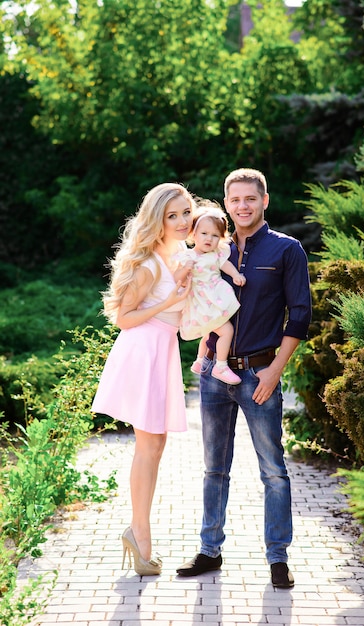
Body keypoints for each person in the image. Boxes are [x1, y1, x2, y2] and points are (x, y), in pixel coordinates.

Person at [176, 168, 312, 588]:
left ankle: (277, 559)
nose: (242, 206)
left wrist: (275, 371)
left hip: (260, 374)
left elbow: (301, 314)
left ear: (264, 200)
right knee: (214, 469)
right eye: (234, 200)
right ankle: (209, 551)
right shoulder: (210, 246)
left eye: (250, 198)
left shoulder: (287, 250)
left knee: (273, 470)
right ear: (225, 203)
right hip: (215, 376)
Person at [92, 182, 195, 576]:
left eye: (186, 211)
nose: (184, 221)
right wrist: (169, 302)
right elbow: (122, 318)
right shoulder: (150, 263)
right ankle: (140, 536)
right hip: (143, 351)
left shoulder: (182, 255)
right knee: (148, 446)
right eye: (173, 216)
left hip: (163, 349)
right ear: (158, 220)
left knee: (155, 445)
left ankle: (139, 534)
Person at [174, 203, 246, 385]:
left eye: (215, 235)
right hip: (201, 301)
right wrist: (185, 270)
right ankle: (220, 366)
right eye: (204, 234)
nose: (209, 239)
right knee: (226, 330)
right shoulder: (188, 256)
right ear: (193, 234)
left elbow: (225, 265)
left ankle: (199, 361)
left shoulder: (216, 253)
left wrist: (236, 274)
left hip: (215, 298)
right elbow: (176, 278)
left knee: (209, 331)